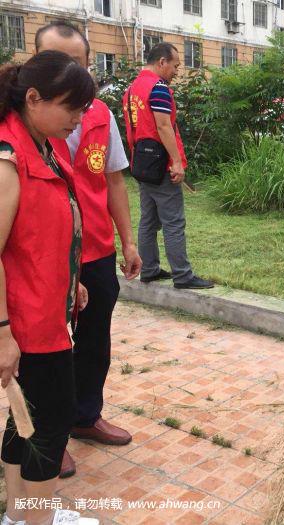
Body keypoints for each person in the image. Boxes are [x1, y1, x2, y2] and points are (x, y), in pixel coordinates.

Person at [34, 20, 141, 479]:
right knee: (45, 352)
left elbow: (113, 179)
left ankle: (84, 415)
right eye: (59, 64)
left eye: (79, 64)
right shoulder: (25, 124)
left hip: (94, 250)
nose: (72, 75)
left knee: (94, 341)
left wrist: (128, 239)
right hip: (44, 256)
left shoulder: (100, 115)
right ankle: (45, 438)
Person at [0, 51, 98, 525]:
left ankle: (19, 516)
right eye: (71, 108)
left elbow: (40, 233)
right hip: (27, 322)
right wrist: (2, 333)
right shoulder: (7, 158)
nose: (78, 120)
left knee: (26, 417)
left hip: (46, 309)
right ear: (34, 98)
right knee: (50, 425)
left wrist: (69, 281)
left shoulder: (44, 144)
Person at [122, 43, 213, 290]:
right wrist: (176, 162)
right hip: (161, 165)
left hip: (141, 164)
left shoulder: (132, 89)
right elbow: (163, 127)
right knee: (173, 222)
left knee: (148, 220)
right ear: (162, 62)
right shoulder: (158, 88)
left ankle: (149, 270)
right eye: (175, 66)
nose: (176, 72)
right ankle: (182, 275)